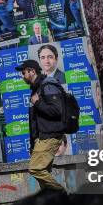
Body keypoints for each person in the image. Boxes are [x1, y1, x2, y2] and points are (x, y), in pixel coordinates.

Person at [15, 59, 66, 191]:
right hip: (41, 138)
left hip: (50, 135)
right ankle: (54, 203)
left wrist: (38, 103)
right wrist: (33, 143)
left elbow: (57, 110)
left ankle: (61, 193)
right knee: (44, 174)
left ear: (32, 71)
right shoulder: (35, 89)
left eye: (24, 72)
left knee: (36, 169)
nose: (22, 75)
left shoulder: (47, 85)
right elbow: (35, 121)